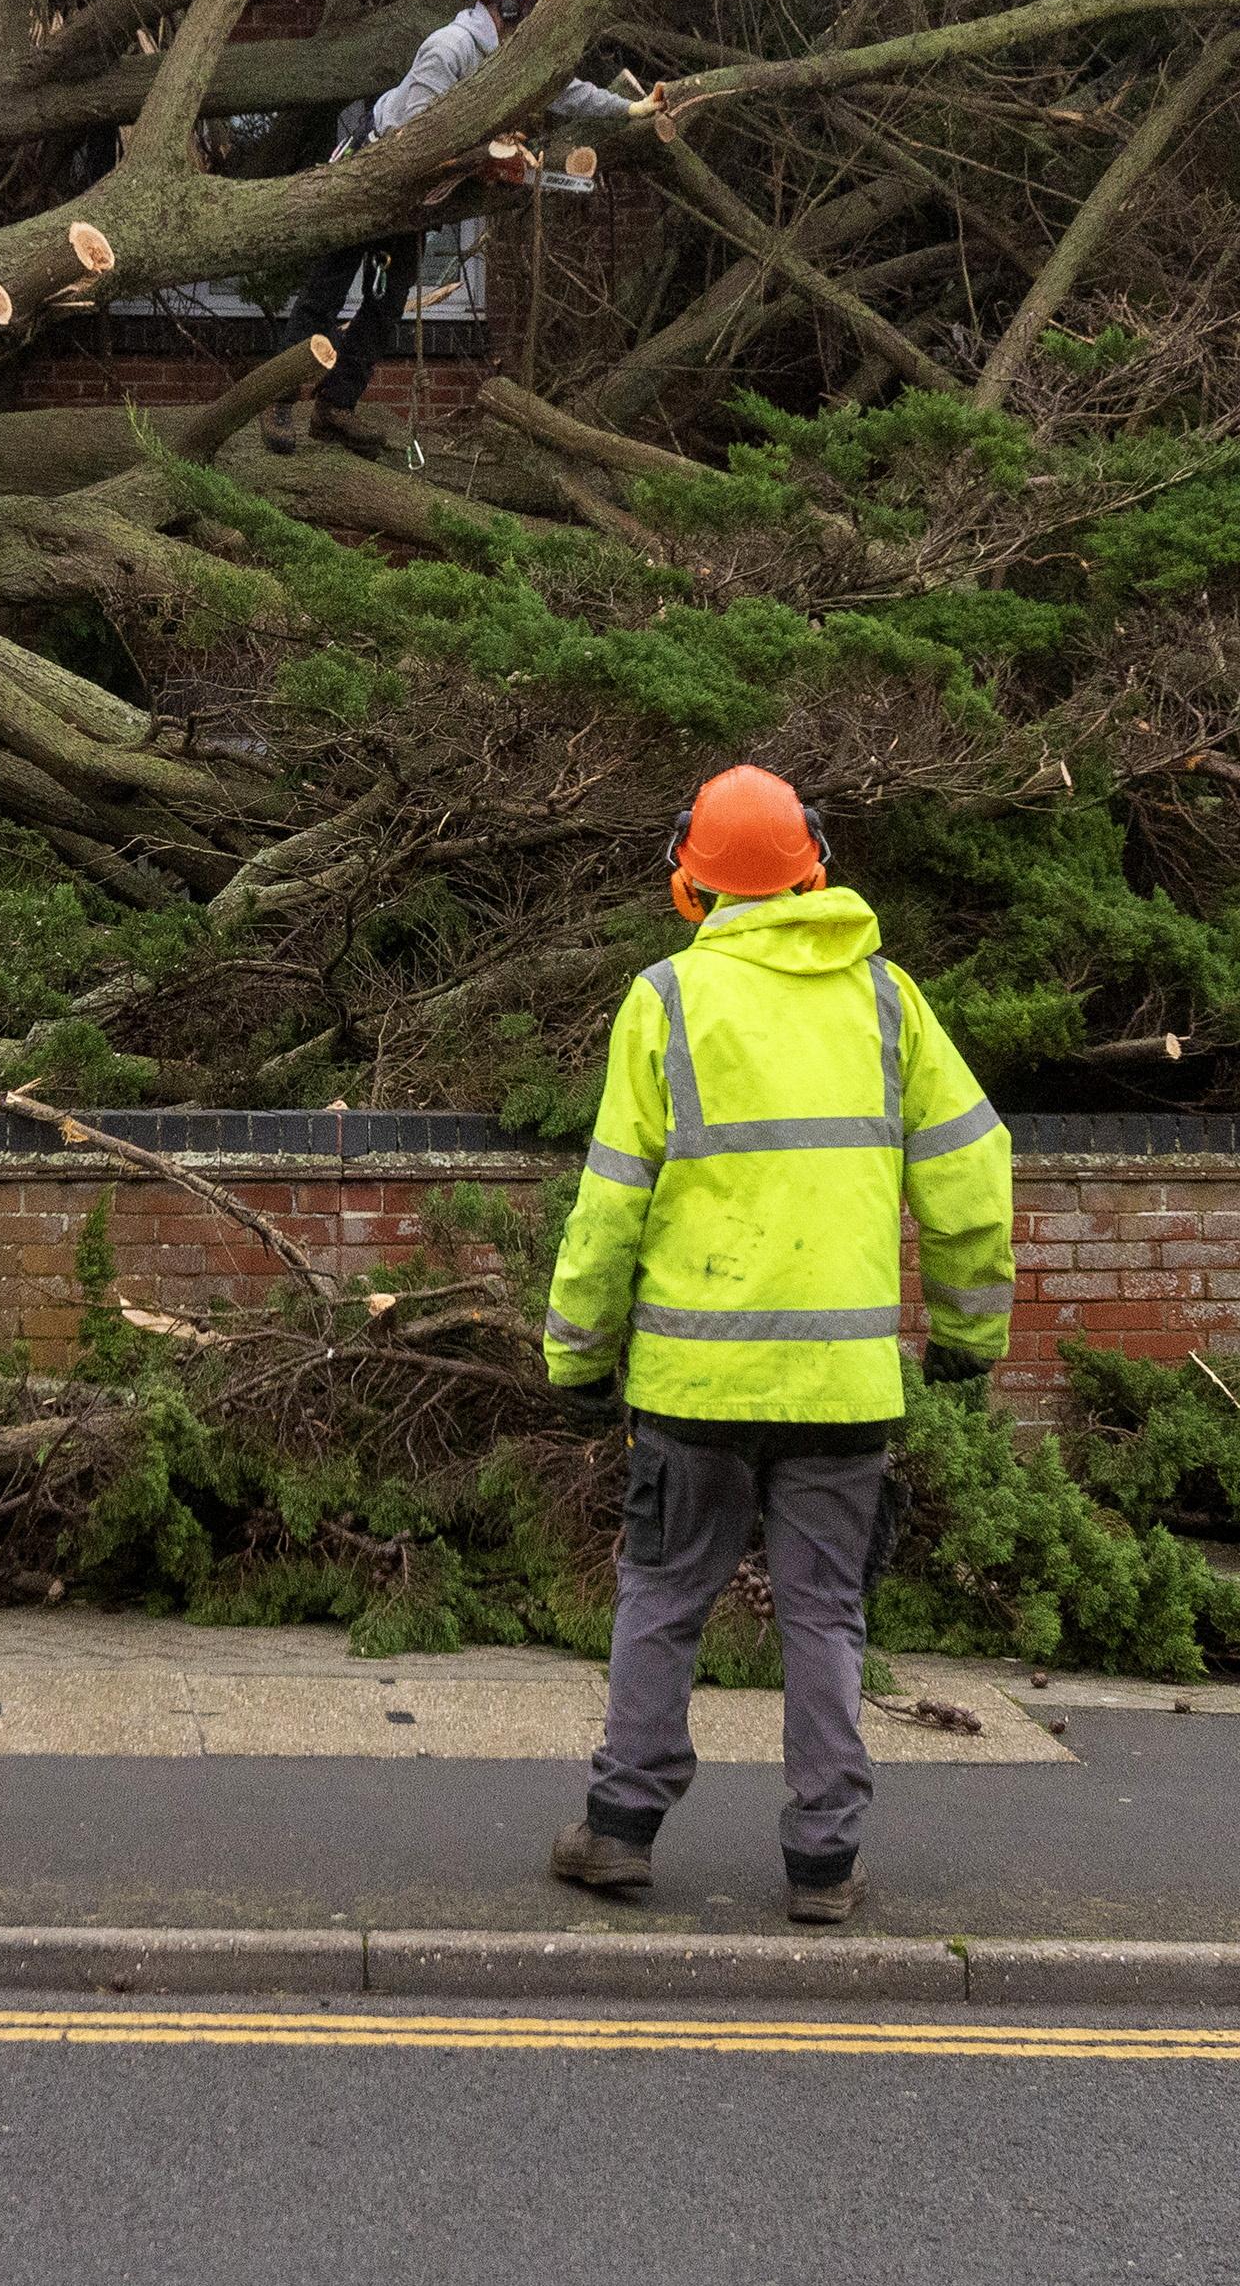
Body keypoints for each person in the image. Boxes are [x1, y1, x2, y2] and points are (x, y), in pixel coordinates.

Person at [536, 762, 1014, 1926]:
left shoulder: (665, 1000)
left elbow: (611, 1199)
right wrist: (964, 1335)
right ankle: (823, 1863)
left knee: (661, 1595)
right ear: (814, 867)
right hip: (842, 1388)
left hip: (694, 1382)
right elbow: (970, 1176)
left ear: (688, 883)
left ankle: (618, 1830)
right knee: (823, 1613)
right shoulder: (888, 1001)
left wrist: (574, 1353)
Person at [289, 0, 646, 437]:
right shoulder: (449, 47)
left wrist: (629, 110)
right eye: (529, 10)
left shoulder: (512, 56)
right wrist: (483, 155)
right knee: (324, 295)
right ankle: (277, 403)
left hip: (424, 194)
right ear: (512, 5)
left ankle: (336, 407)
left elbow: (566, 91)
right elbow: (417, 131)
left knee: (386, 303)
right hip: (373, 178)